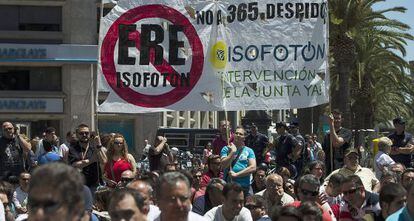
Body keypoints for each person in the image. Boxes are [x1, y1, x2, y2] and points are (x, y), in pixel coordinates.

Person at [68, 124, 106, 192]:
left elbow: (104, 161)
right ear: (77, 135)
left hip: (95, 185)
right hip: (79, 185)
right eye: (81, 133)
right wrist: (92, 160)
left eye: (86, 133)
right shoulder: (73, 148)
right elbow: (74, 165)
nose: (84, 135)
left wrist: (99, 145)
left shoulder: (94, 146)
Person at [221, 126, 256, 196]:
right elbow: (223, 165)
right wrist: (232, 152)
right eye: (236, 133)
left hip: (245, 187)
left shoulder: (249, 151)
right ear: (233, 134)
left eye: (240, 134)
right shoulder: (226, 149)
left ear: (244, 137)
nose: (238, 135)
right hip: (230, 187)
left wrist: (237, 175)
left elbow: (253, 167)